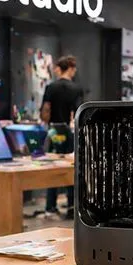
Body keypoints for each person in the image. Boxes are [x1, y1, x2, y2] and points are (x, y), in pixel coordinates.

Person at [40, 55, 83, 219]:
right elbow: (78, 112)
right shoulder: (76, 89)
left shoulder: (51, 87)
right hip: (69, 132)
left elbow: (45, 110)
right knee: (71, 168)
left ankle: (50, 207)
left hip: (54, 131)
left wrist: (48, 123)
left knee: (53, 168)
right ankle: (72, 206)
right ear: (70, 69)